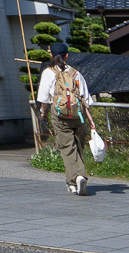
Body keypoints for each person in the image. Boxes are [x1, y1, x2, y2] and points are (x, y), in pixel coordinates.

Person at [36, 41, 95, 197]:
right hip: (79, 115)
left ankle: (79, 177)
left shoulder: (49, 72)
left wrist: (43, 112)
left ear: (50, 55)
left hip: (60, 114)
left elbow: (43, 98)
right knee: (78, 147)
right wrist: (91, 121)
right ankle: (72, 183)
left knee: (67, 148)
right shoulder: (76, 73)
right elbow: (85, 99)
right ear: (67, 55)